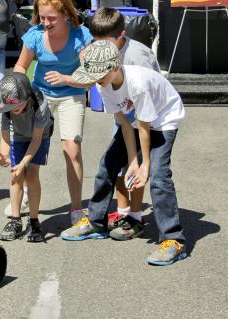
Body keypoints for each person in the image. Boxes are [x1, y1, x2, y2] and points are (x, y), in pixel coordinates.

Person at [61, 40, 187, 266]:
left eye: (100, 75)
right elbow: (126, 125)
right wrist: (132, 162)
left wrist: (145, 164)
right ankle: (96, 222)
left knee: (159, 176)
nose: (96, 81)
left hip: (164, 119)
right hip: (137, 122)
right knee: (107, 164)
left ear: (115, 67)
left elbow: (145, 126)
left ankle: (173, 239)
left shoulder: (138, 83)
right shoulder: (103, 84)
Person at [13, 0, 93, 222]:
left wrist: (66, 78)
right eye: (42, 17)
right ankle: (28, 194)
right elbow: (21, 66)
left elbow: (89, 75)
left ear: (65, 14)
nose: (46, 23)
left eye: (52, 18)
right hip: (40, 93)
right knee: (30, 146)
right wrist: (18, 89)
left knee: (72, 150)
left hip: (72, 91)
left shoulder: (80, 34)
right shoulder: (35, 35)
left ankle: (76, 209)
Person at [89, 7, 160, 240]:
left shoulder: (138, 56)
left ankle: (136, 217)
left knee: (138, 165)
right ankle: (121, 213)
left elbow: (148, 99)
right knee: (118, 164)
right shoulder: (99, 51)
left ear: (121, 34)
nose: (99, 45)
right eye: (95, 40)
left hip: (147, 118)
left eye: (105, 40)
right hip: (123, 114)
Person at [0, 72, 53, 242]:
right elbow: (5, 138)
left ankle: (34, 221)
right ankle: (15, 221)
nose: (13, 110)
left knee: (31, 173)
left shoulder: (40, 103)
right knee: (15, 175)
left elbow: (37, 139)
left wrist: (24, 162)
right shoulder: (5, 106)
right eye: (10, 108)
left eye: (16, 107)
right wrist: (3, 157)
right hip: (17, 135)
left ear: (26, 98)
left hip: (39, 136)